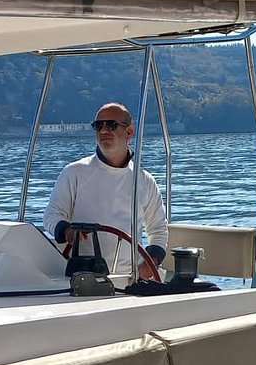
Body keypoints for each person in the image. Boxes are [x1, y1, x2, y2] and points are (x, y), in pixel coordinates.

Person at [44, 103, 168, 278]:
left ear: (129, 131)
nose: (103, 130)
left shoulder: (145, 180)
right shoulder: (74, 172)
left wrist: (150, 263)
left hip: (130, 279)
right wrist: (66, 231)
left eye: (111, 125)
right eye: (98, 125)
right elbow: (51, 216)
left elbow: (158, 230)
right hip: (81, 277)